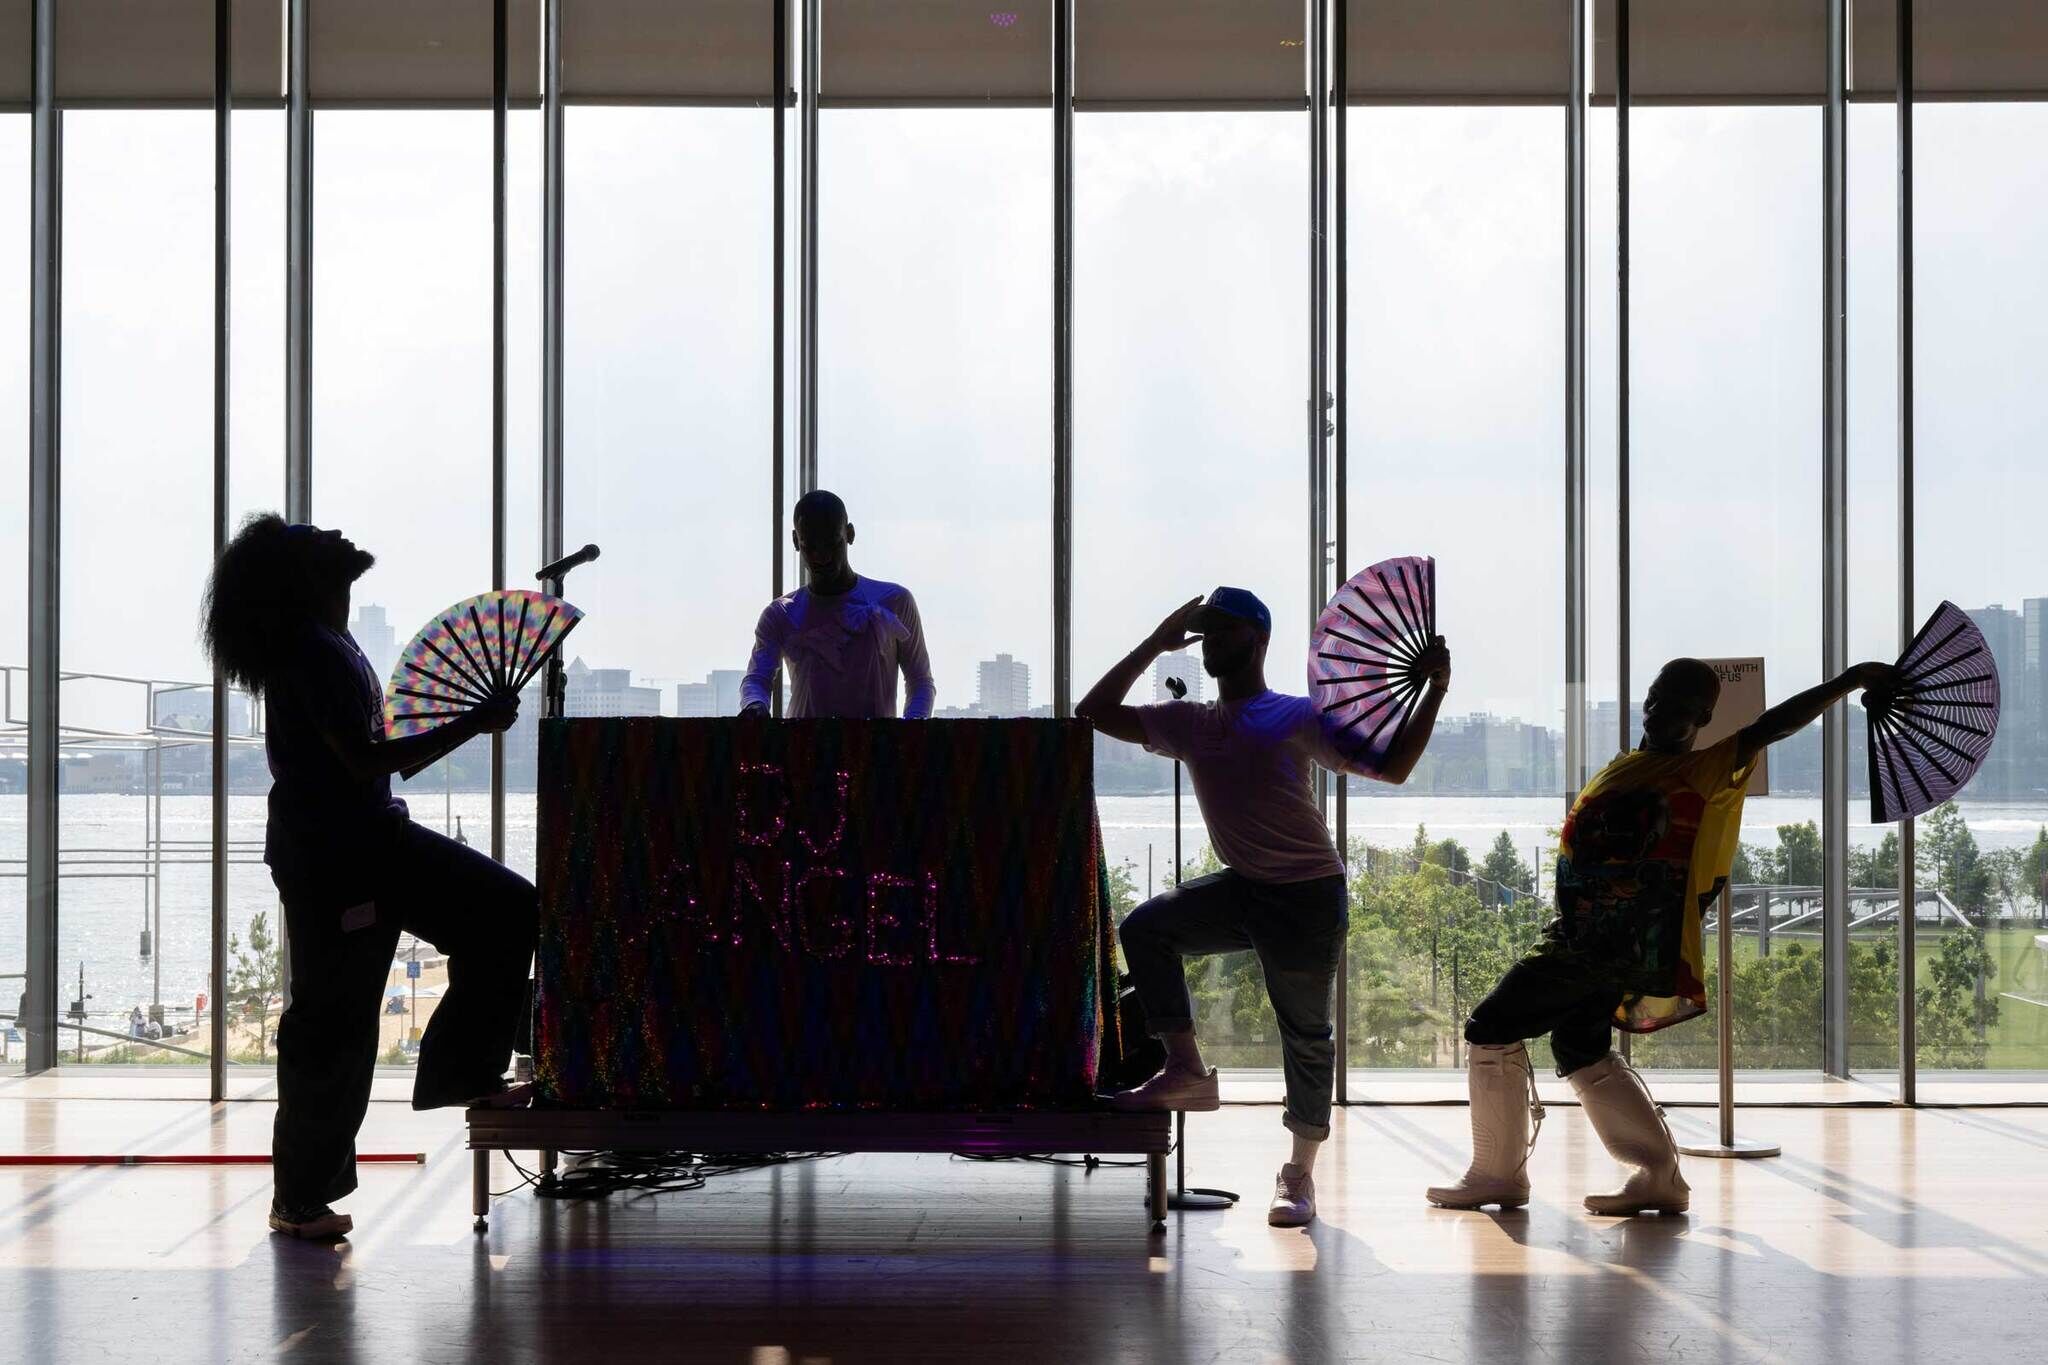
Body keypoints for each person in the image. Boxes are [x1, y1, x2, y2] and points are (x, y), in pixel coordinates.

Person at [1425, 656, 1899, 1217]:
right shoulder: (1631, 763)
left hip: (1605, 945)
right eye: (1654, 697)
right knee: (1580, 1046)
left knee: (1490, 1025)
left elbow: (1772, 725)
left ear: (1703, 716)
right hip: (1592, 935)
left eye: (1676, 706)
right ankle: (1657, 1174)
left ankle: (1497, 1173)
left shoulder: (1706, 770)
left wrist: (1849, 681)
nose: (1657, 711)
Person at [203, 513, 538, 1242]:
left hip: (360, 845)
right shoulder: (312, 653)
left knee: (343, 1014)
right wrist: (472, 724)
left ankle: (456, 1069)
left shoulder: (326, 646)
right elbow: (364, 759)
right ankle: (301, 1193)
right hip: (339, 857)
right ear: (320, 584)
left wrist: (466, 726)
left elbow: (369, 755)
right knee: (333, 1021)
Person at [1079, 588, 1450, 1228]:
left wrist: (1434, 692)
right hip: (1246, 886)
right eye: (1204, 633)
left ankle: (1299, 1175)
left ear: (1259, 641)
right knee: (1145, 927)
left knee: (1305, 1038)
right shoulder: (1190, 723)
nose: (1211, 642)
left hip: (1307, 896)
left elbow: (1394, 769)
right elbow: (1092, 710)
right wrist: (1155, 640)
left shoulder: (1295, 716)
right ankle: (1186, 1069)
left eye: (1224, 631)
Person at [741, 489, 936, 719]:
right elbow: (921, 682)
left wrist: (755, 706)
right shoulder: (892, 601)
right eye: (811, 547)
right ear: (796, 541)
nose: (821, 557)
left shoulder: (782, 613)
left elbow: (757, 679)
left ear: (850, 535)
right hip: (869, 751)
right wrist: (909, 734)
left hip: (805, 751)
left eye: (831, 544)